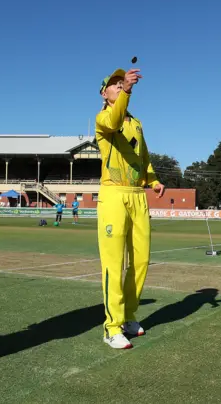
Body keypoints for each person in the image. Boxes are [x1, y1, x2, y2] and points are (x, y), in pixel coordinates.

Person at [96, 66, 165, 349]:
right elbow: (113, 120)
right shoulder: (104, 118)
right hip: (113, 195)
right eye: (114, 84)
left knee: (141, 261)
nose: (119, 86)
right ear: (105, 93)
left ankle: (127, 316)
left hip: (138, 195)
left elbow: (142, 154)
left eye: (121, 83)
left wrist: (153, 179)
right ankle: (111, 326)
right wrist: (126, 90)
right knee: (114, 263)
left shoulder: (136, 123)